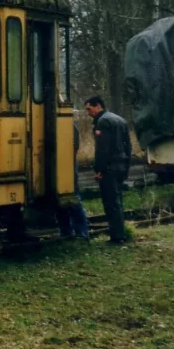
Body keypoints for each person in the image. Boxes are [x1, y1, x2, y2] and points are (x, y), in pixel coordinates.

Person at [84, 95, 132, 244]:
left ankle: (117, 236)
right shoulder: (120, 120)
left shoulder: (103, 122)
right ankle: (120, 233)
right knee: (118, 201)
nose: (88, 112)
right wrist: (127, 167)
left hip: (109, 168)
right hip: (121, 165)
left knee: (111, 202)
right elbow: (128, 147)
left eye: (89, 108)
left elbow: (102, 150)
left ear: (98, 106)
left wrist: (99, 170)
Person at [57, 123, 90, 238]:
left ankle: (81, 232)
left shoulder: (68, 125)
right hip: (66, 165)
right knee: (63, 201)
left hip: (67, 166)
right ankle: (68, 232)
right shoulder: (70, 125)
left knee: (74, 199)